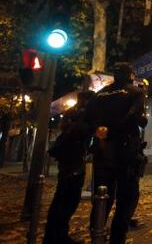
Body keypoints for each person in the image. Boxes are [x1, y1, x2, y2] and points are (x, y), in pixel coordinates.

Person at [86, 63, 147, 244]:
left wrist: (100, 131)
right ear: (130, 75)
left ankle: (97, 232)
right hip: (126, 150)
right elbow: (134, 117)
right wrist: (116, 130)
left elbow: (87, 117)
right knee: (126, 198)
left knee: (102, 197)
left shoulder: (100, 94)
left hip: (102, 150)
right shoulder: (135, 92)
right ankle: (117, 237)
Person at [44, 90, 95, 244]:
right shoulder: (83, 118)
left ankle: (55, 234)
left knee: (62, 198)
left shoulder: (70, 114)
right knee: (68, 199)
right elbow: (83, 134)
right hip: (73, 162)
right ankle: (57, 236)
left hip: (67, 162)